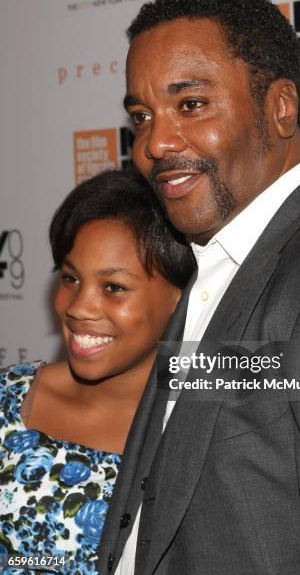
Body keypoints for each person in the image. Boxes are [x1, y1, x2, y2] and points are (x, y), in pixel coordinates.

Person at [98, 0, 300, 575]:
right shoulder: (221, 262)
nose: (153, 144)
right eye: (142, 116)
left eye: (191, 105)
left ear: (281, 108)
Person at [0, 170, 195, 573]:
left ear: (180, 297)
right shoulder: (7, 398)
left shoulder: (208, 423)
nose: (78, 307)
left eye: (113, 288)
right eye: (70, 278)